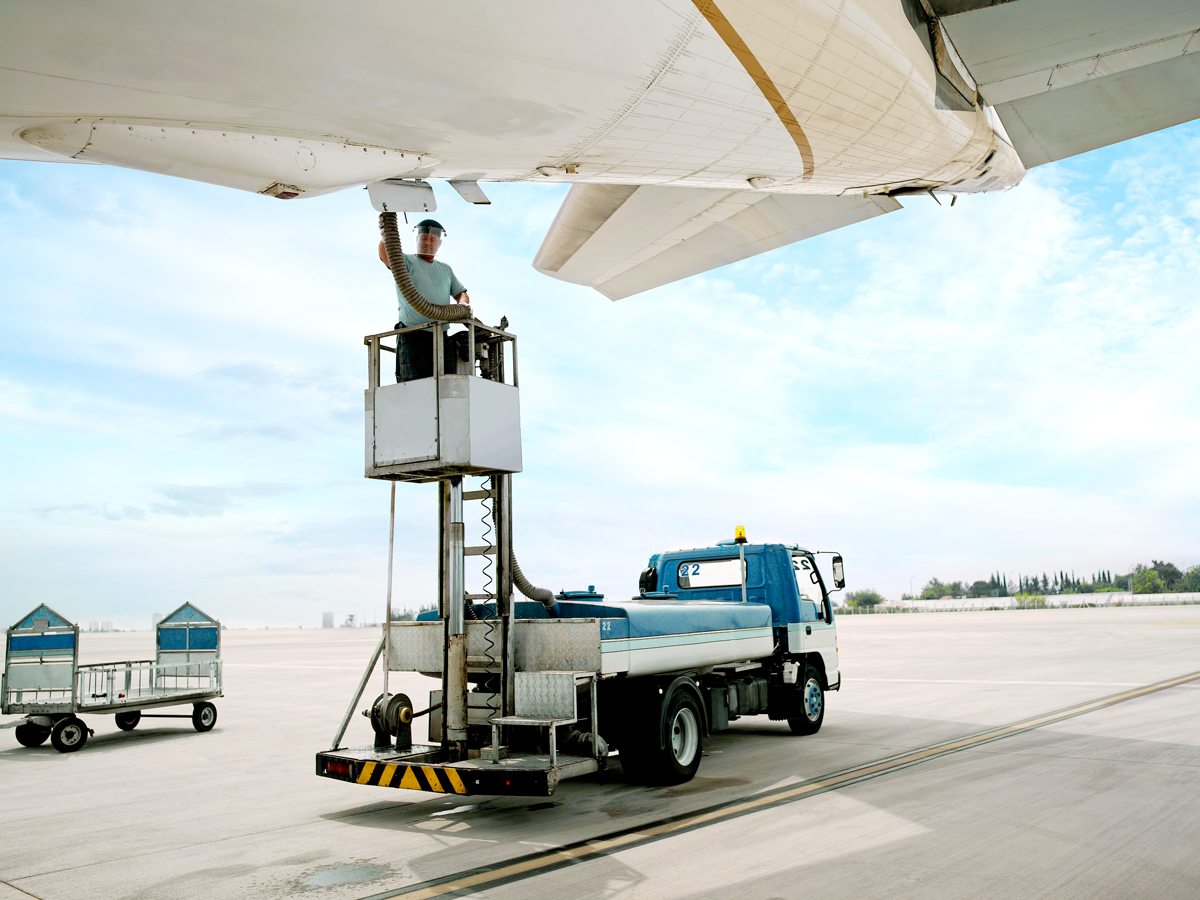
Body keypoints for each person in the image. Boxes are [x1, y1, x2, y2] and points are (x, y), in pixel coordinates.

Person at [377, 219, 471, 382]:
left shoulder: (446, 269)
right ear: (417, 239)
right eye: (423, 238)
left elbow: (461, 293)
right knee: (414, 387)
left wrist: (462, 306)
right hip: (413, 336)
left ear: (439, 243)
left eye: (432, 239)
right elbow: (385, 254)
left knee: (445, 386)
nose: (427, 242)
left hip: (441, 336)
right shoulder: (405, 261)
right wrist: (386, 234)